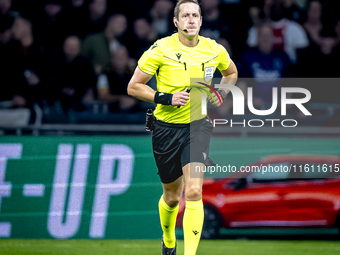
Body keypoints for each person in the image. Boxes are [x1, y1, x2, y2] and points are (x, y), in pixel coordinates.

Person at [127, 1, 238, 254]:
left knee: (195, 191)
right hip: (165, 128)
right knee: (173, 196)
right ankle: (168, 240)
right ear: (175, 22)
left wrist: (221, 91)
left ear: (201, 20)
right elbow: (133, 86)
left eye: (195, 15)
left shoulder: (214, 49)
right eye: (185, 15)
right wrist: (166, 97)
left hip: (198, 126)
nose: (190, 20)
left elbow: (231, 72)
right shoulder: (160, 49)